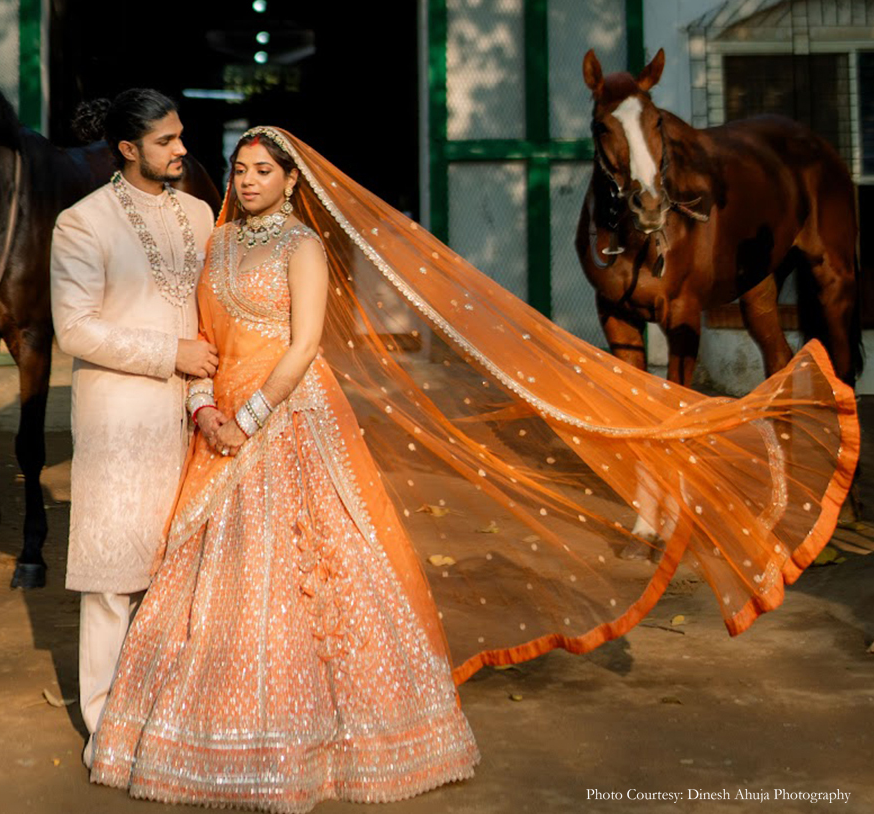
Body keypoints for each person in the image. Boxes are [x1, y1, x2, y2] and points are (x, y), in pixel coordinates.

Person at [88, 127, 859, 810]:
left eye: (263, 170)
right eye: (240, 168)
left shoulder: (304, 247)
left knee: (316, 573)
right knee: (210, 576)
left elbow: (304, 346)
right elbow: (201, 338)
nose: (247, 180)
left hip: (289, 421)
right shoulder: (217, 245)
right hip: (218, 423)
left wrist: (249, 421)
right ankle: (207, 732)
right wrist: (204, 410)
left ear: (293, 181)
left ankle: (315, 739)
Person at [49, 88, 216, 767]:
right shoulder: (82, 223)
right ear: (127, 149)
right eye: (167, 140)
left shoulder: (202, 215)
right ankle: (109, 732)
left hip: (190, 415)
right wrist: (167, 356)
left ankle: (175, 719)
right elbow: (75, 329)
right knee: (115, 578)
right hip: (118, 417)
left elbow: (210, 318)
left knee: (184, 572)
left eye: (181, 136)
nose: (182, 149)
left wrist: (201, 392)